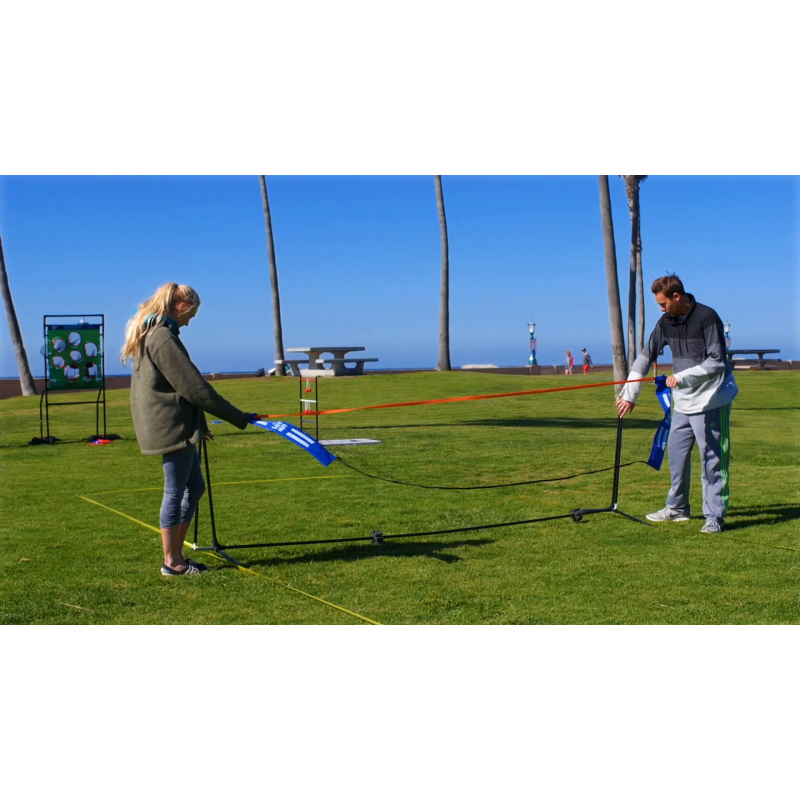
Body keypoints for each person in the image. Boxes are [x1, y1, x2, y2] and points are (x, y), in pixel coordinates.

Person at [122, 283, 258, 575]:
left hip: (177, 424)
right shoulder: (161, 337)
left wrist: (201, 425)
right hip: (171, 426)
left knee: (194, 487)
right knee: (175, 491)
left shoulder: (155, 332)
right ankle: (172, 563)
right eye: (191, 315)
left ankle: (177, 557)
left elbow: (183, 390)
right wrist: (239, 417)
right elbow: (194, 388)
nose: (191, 320)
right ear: (181, 307)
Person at [616, 274, 738, 533]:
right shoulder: (665, 322)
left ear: (677, 297)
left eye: (663, 304)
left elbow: (716, 363)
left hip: (711, 399)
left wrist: (680, 377)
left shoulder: (708, 318)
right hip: (682, 402)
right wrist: (630, 395)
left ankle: (714, 516)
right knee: (677, 454)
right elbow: (645, 357)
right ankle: (678, 508)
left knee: (713, 458)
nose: (661, 309)